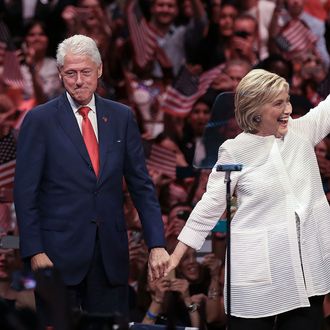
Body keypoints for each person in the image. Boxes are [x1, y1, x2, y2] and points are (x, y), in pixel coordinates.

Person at [14, 34, 169, 328]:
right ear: (60, 74)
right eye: (70, 73)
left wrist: (156, 244)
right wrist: (34, 251)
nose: (78, 80)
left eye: (85, 72)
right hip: (55, 258)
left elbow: (142, 186)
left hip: (109, 257)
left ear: (99, 70)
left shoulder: (121, 116)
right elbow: (25, 193)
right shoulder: (40, 120)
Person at [166, 68, 330, 329]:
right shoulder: (234, 150)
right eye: (278, 103)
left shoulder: (302, 132)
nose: (287, 108)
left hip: (304, 267)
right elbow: (210, 205)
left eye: (287, 99)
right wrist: (175, 256)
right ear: (255, 110)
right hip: (257, 271)